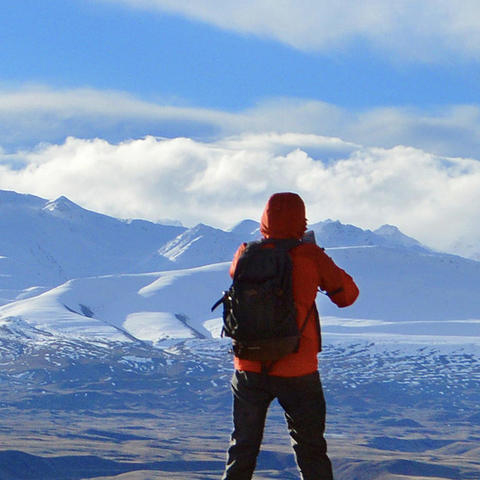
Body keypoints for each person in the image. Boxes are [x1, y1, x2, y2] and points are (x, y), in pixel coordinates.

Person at [222, 192, 359, 480]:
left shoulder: (244, 252)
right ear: (302, 219)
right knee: (310, 449)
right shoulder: (309, 255)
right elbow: (347, 295)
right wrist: (314, 254)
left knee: (242, 449)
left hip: (248, 365)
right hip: (297, 367)